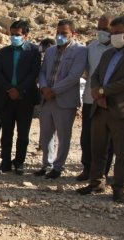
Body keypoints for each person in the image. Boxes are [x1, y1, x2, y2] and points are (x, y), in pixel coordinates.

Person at [77, 15, 124, 203]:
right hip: (100, 108)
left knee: (122, 152)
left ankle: (119, 188)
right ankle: (96, 182)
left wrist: (103, 91)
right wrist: (96, 92)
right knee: (98, 148)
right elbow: (95, 75)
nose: (113, 36)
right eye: (112, 32)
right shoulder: (108, 54)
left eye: (117, 33)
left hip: (122, 111)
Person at [35, 19, 88, 179]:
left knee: (63, 136)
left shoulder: (80, 51)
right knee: (46, 135)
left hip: (64, 100)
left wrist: (54, 90)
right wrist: (44, 88)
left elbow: (74, 76)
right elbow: (42, 71)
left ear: (73, 33)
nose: (59, 36)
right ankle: (47, 163)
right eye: (58, 32)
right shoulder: (50, 51)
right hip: (47, 98)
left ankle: (58, 167)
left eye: (64, 33)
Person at [0, 20, 41, 175]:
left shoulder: (34, 51)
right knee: (6, 133)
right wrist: (9, 89)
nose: (14, 37)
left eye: (17, 35)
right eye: (12, 34)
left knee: (23, 134)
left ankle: (19, 162)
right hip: (7, 98)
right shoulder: (4, 51)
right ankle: (5, 162)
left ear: (26, 35)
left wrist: (19, 90)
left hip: (24, 99)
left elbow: (33, 73)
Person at [77, 14, 114, 181]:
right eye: (99, 29)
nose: (101, 32)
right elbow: (88, 73)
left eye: (105, 29)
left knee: (107, 140)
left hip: (110, 101)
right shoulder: (91, 47)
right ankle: (87, 167)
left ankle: (102, 173)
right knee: (87, 137)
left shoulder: (121, 50)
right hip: (90, 99)